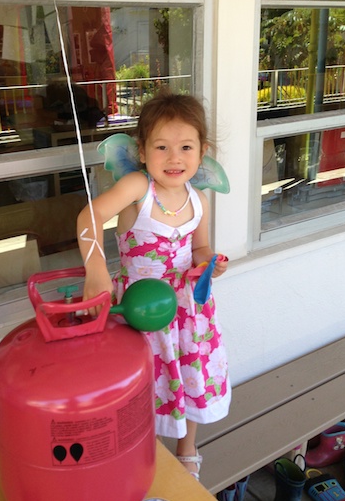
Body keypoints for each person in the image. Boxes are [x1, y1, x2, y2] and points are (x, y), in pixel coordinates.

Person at [77, 92, 231, 481]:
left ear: (202, 151)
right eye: (161, 147)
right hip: (138, 309)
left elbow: (200, 246)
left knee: (189, 373)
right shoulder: (137, 188)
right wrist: (95, 270)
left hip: (187, 310)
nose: (174, 157)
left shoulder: (199, 199)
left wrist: (208, 263)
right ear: (142, 151)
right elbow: (89, 215)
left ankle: (187, 450)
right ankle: (139, 452)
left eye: (185, 147)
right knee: (141, 384)